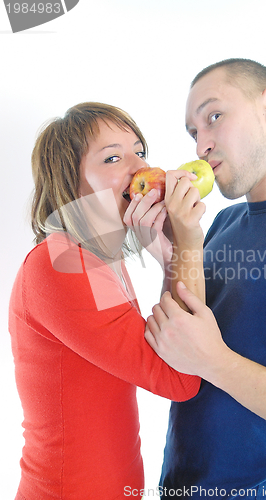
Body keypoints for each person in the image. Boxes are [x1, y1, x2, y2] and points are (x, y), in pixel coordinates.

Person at [145, 59, 266, 498]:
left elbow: (207, 359)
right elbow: (178, 358)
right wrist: (174, 256)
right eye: (193, 133)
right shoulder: (222, 223)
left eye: (214, 117)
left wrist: (219, 363)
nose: (202, 145)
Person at [8, 102, 205, 500]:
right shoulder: (61, 264)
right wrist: (189, 244)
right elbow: (180, 377)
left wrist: (170, 255)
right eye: (113, 157)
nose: (138, 167)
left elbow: (168, 350)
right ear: (72, 183)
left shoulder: (98, 258)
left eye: (140, 151)